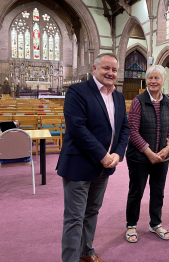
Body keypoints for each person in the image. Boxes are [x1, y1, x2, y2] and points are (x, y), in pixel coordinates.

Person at [57, 53, 130, 262]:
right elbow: (77, 128)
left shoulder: (117, 96)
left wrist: (117, 153)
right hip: (79, 165)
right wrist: (102, 155)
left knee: (92, 212)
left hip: (104, 167)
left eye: (114, 70)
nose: (110, 73)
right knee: (74, 218)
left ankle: (86, 252)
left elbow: (124, 127)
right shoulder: (77, 91)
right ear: (94, 68)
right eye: (106, 68)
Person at [125, 65, 169, 243]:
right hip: (139, 157)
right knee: (136, 191)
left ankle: (155, 223)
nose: (153, 81)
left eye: (157, 78)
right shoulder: (138, 101)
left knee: (158, 191)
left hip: (162, 156)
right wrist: (148, 152)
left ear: (163, 81)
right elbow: (133, 130)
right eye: (150, 78)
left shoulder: (168, 102)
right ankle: (131, 224)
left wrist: (168, 147)